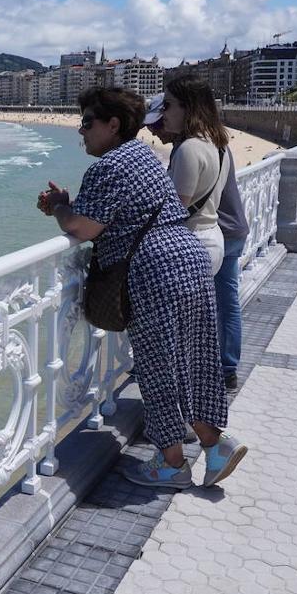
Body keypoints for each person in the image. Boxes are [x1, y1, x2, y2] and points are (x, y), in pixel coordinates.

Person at [38, 85, 246, 489]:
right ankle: (215, 444)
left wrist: (59, 206)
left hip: (155, 269)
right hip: (188, 257)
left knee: (157, 367)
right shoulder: (145, 157)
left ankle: (173, 463)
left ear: (112, 124)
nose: (81, 131)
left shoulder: (109, 166)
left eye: (87, 123)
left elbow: (81, 226)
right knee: (194, 358)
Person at [145, 94, 249, 391]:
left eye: (159, 122)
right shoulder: (215, 141)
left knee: (196, 314)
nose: (155, 131)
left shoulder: (189, 149)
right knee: (226, 303)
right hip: (230, 230)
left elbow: (178, 205)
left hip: (212, 233)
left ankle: (188, 379)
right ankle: (226, 368)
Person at [160, 76, 231, 276]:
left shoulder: (189, 148)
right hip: (211, 237)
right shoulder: (218, 144)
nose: (162, 113)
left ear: (188, 107)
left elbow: (175, 210)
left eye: (167, 105)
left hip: (192, 241)